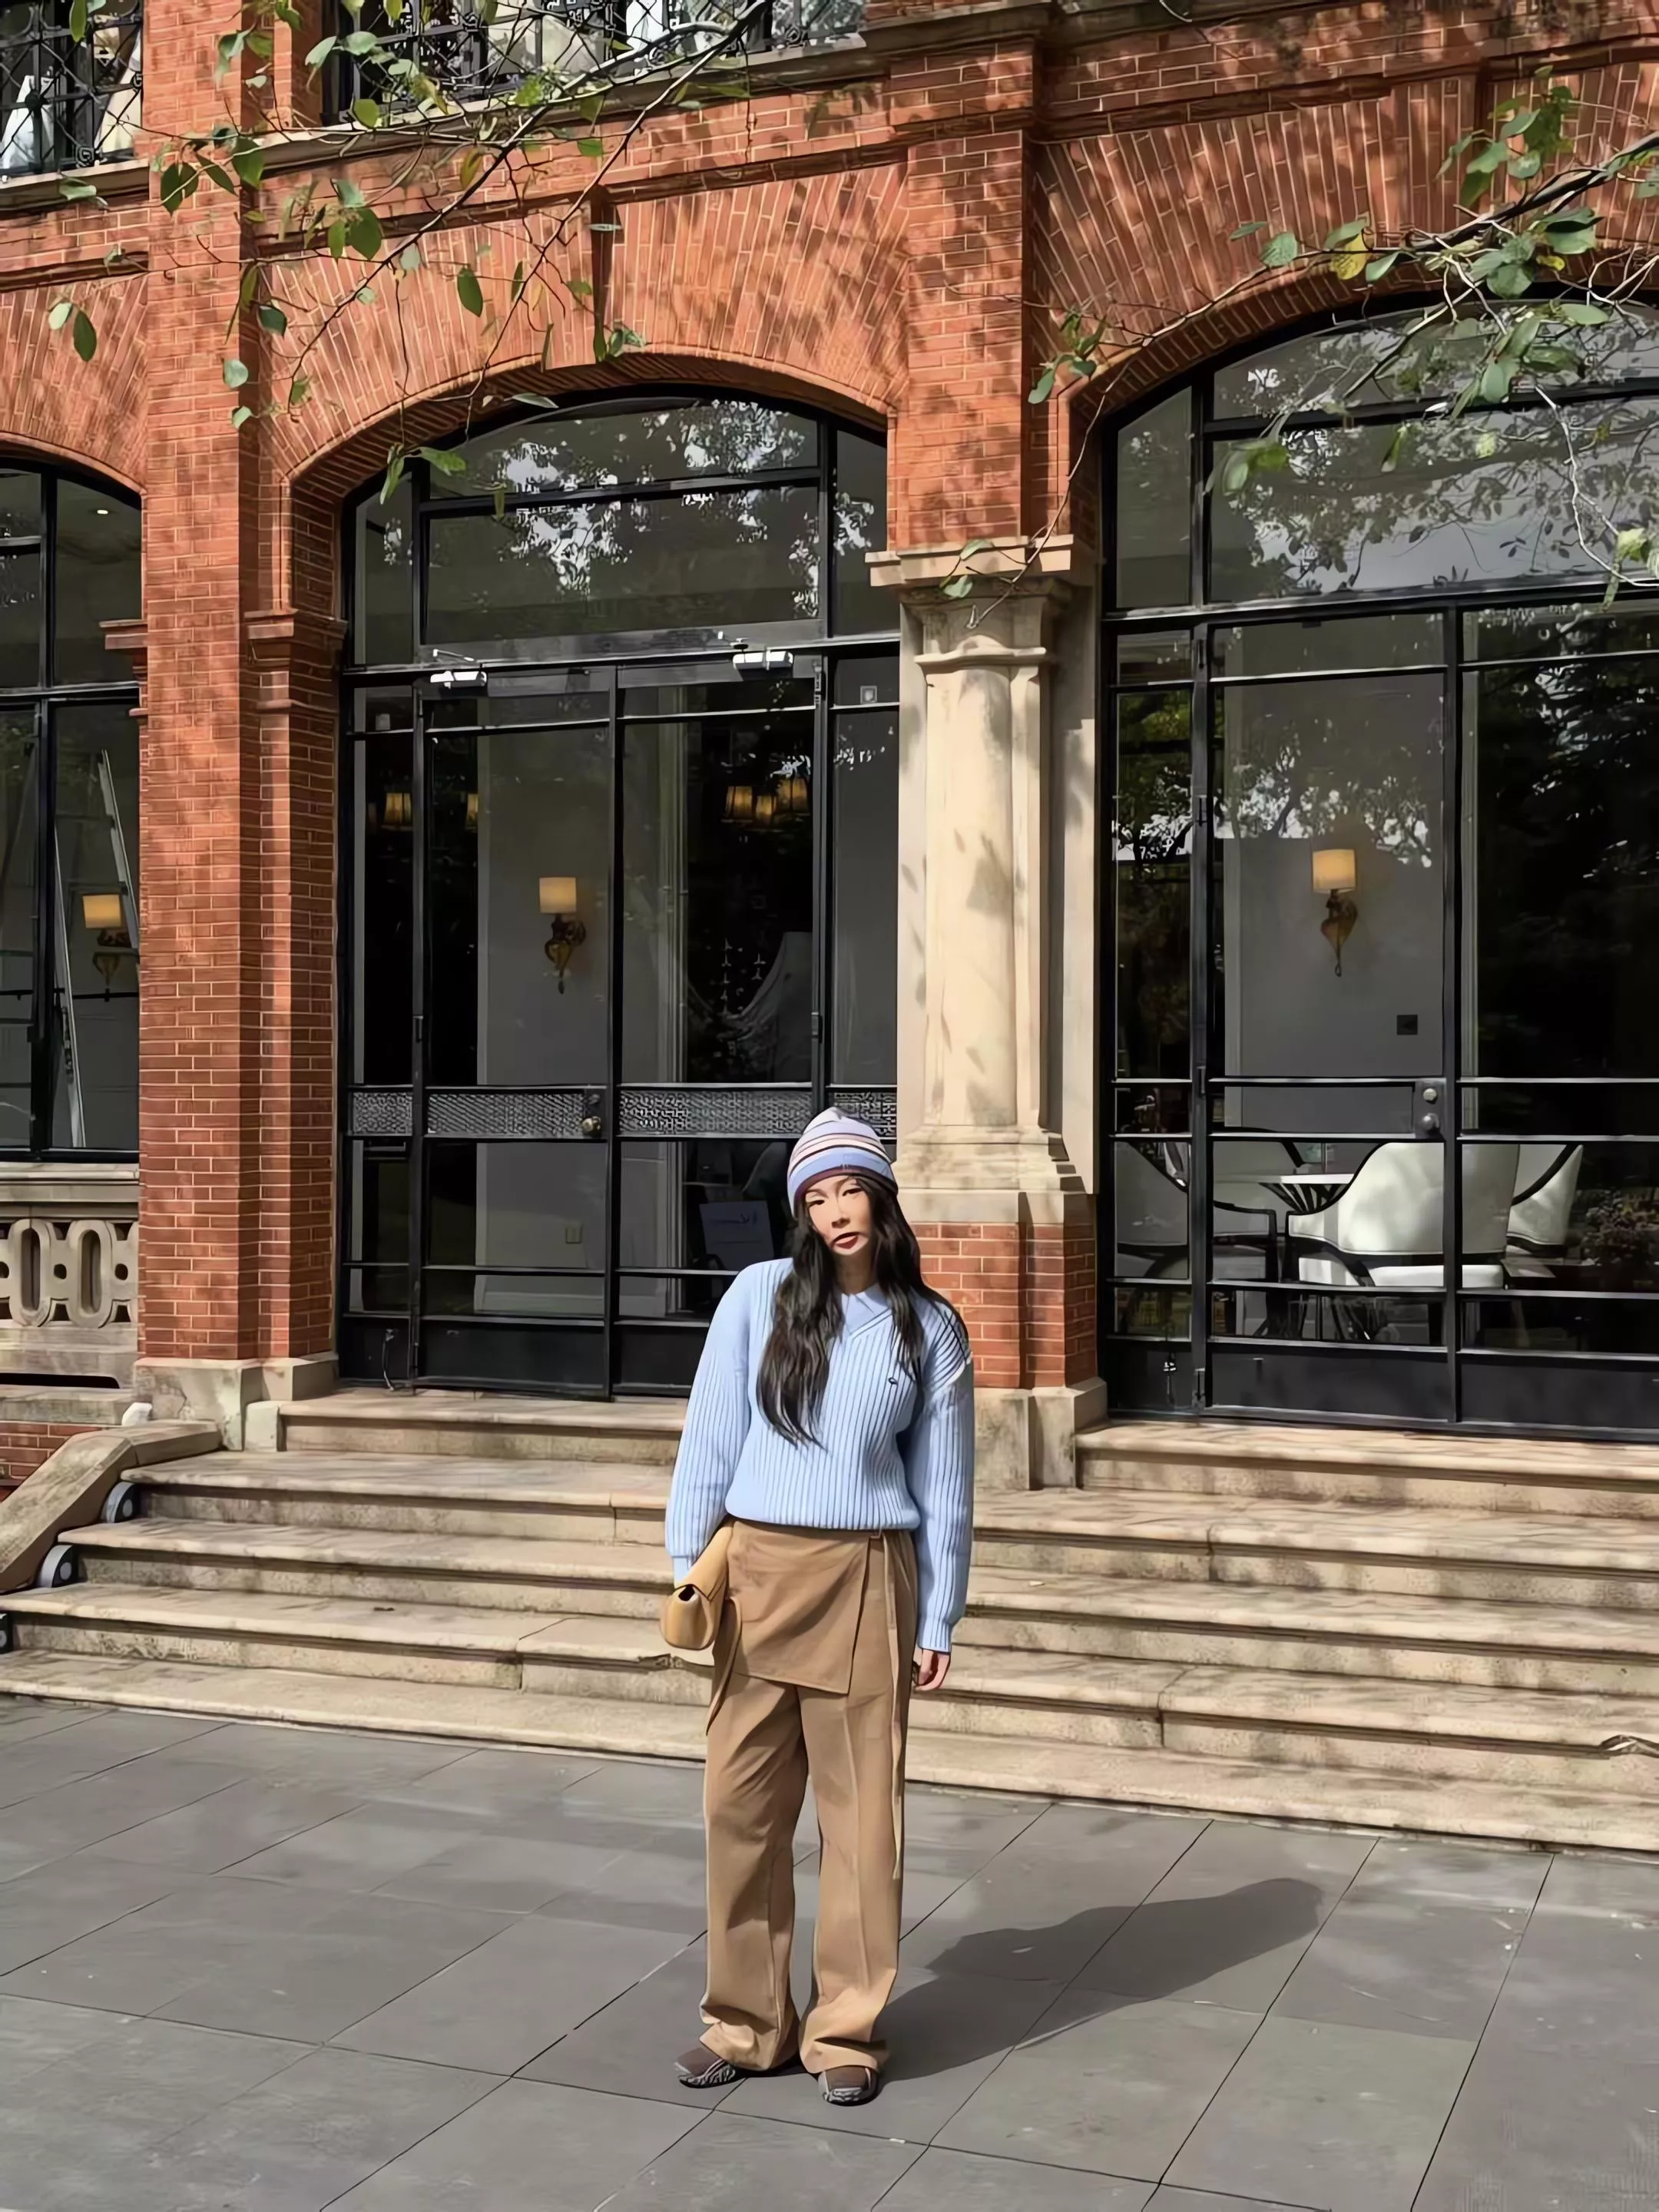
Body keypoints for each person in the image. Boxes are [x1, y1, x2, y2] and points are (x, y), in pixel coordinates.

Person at [665, 1108, 975, 2108]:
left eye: (852, 1190)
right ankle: (745, 2023)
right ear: (799, 1211)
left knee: (862, 1823)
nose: (836, 1210)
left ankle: (846, 2029)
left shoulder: (930, 1328)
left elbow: (946, 1485)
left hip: (869, 1576)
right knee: (739, 1808)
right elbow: (711, 1434)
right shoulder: (758, 1297)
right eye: (817, 1196)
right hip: (758, 1570)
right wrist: (688, 1564)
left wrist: (939, 1613)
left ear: (882, 1200)